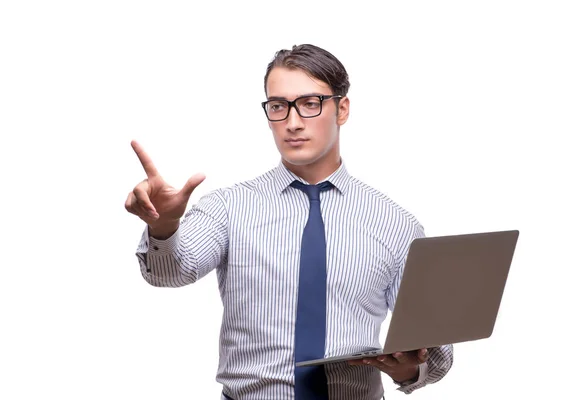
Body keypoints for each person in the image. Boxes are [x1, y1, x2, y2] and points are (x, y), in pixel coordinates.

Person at [125, 44, 453, 400]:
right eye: (279, 106)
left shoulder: (396, 224)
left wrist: (408, 368)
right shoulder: (229, 207)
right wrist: (164, 226)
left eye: (310, 104)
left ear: (341, 109)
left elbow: (437, 349)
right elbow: (170, 272)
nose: (292, 123)